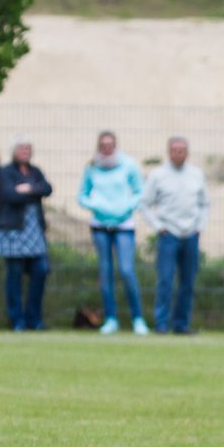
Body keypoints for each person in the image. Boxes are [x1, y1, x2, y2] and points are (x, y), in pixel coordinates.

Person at [79, 131, 148, 335]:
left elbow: (139, 192)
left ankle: (138, 318)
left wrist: (126, 207)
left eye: (110, 144)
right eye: (103, 145)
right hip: (100, 224)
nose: (107, 148)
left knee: (126, 270)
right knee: (105, 272)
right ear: (99, 146)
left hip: (124, 224)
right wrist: (97, 206)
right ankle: (110, 318)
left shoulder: (128, 165)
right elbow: (82, 195)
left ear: (115, 145)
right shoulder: (92, 167)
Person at [141, 136, 209, 335]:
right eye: (175, 150)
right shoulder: (158, 175)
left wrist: (199, 227)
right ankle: (161, 324)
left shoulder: (197, 175)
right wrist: (158, 227)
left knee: (188, 282)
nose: (178, 154)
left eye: (182, 150)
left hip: (191, 235)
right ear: (169, 152)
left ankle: (181, 324)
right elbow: (144, 203)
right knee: (165, 280)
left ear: (187, 153)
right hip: (168, 234)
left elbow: (205, 204)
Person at [0, 138, 53, 331]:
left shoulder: (35, 171)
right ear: (14, 151)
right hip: (13, 230)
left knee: (41, 270)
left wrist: (27, 189)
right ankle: (17, 319)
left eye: (28, 148)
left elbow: (47, 188)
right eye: (22, 148)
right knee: (15, 275)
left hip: (35, 231)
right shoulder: (5, 172)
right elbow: (9, 195)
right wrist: (34, 191)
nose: (25, 152)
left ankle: (34, 318)